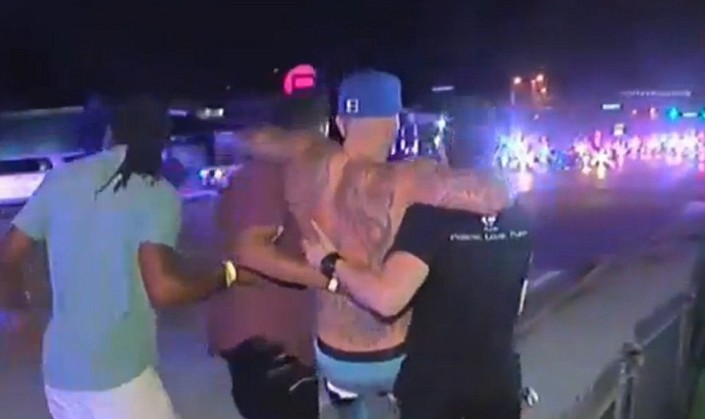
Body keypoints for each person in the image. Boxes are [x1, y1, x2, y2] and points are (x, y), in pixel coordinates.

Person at [241, 70, 513, 419]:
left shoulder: (308, 154)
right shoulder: (412, 178)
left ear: (341, 122)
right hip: (394, 355)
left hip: (332, 355)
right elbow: (495, 197)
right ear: (396, 123)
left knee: (350, 405)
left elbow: (256, 138)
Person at [0, 95, 244, 419]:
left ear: (111, 133)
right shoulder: (155, 192)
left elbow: (8, 255)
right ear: (162, 142)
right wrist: (227, 275)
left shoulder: (61, 179)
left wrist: (19, 312)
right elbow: (164, 289)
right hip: (120, 376)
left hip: (60, 374)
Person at [301, 115, 533, 418]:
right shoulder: (520, 218)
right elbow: (518, 301)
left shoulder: (428, 220)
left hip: (437, 386)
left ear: (443, 150)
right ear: (495, 152)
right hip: (498, 381)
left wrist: (330, 261)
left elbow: (387, 300)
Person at [207, 92, 333, 419]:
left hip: (272, 340)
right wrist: (332, 279)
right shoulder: (265, 174)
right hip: (266, 343)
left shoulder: (279, 171)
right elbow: (251, 250)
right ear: (319, 127)